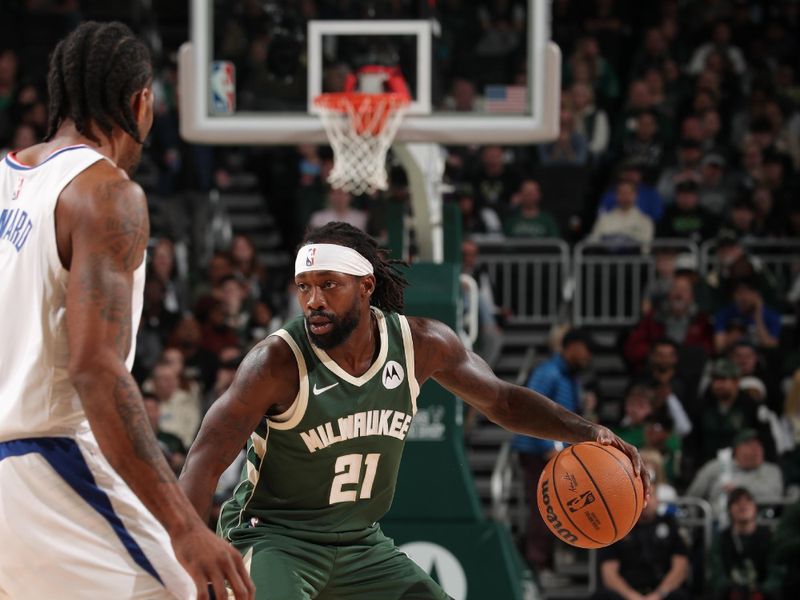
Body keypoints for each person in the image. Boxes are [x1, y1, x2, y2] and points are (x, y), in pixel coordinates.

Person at [179, 223, 648, 599]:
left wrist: (585, 432)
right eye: (304, 287)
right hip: (276, 537)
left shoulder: (421, 343)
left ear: (366, 286)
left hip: (360, 542)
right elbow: (206, 456)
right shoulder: (276, 361)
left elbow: (501, 400)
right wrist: (186, 545)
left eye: (329, 285)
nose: (314, 301)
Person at [0, 22, 252, 600]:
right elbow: (96, 370)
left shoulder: (7, 179)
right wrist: (186, 527)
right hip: (52, 463)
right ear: (141, 103)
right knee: (194, 587)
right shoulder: (106, 193)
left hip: (12, 477)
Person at [511, 327, 595, 572]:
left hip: (557, 453)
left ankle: (547, 560)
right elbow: (532, 409)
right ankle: (536, 563)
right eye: (586, 349)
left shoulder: (571, 377)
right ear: (572, 347)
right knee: (545, 507)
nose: (589, 356)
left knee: (559, 508)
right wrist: (550, 447)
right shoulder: (548, 372)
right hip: (539, 452)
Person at [594, 494, 690, 600]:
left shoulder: (670, 525)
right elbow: (609, 574)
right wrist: (632, 596)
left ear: (657, 500)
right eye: (641, 496)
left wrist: (658, 595)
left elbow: (680, 568)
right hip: (627, 592)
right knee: (603, 596)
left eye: (650, 496)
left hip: (661, 592)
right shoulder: (618, 529)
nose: (647, 502)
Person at [686, 430, 783, 518]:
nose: (756, 449)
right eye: (749, 444)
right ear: (737, 449)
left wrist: (739, 490)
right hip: (717, 526)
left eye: (758, 444)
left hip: (760, 525)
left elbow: (775, 497)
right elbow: (692, 497)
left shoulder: (771, 471)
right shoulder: (715, 467)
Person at [708, 487, 783, 600]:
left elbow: (776, 570)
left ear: (755, 507)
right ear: (730, 509)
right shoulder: (721, 539)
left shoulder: (769, 537)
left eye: (747, 501)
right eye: (737, 502)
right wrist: (729, 588)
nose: (743, 506)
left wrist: (763, 590)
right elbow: (716, 572)